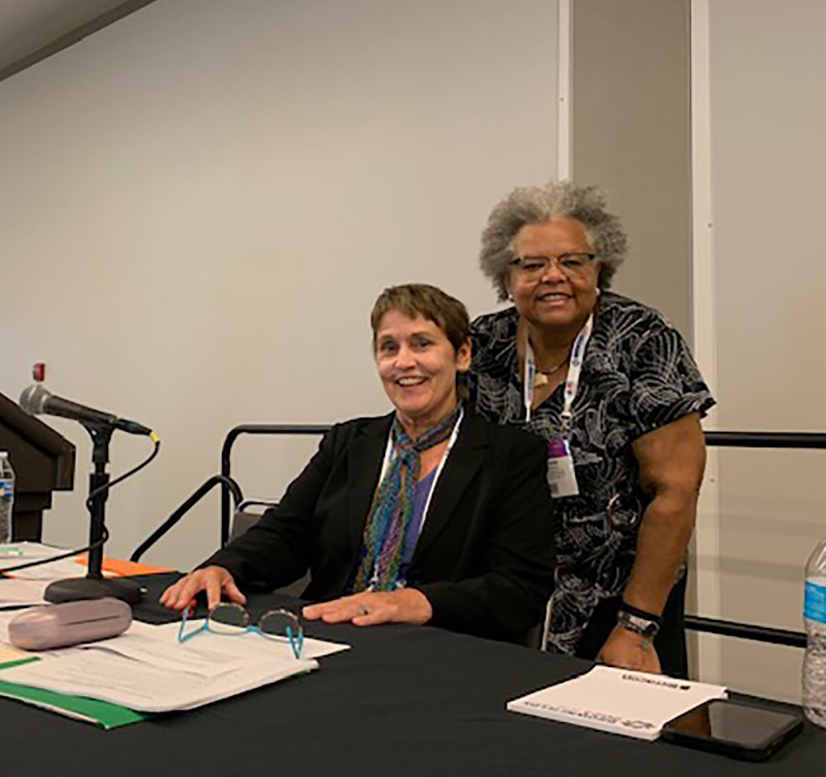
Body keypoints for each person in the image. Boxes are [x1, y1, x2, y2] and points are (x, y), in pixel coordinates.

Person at [161, 284, 555, 643]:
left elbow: (520, 590)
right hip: (328, 639)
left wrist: (412, 604)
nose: (404, 362)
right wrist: (224, 567)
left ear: (462, 354)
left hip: (439, 650)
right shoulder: (348, 442)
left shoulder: (511, 456)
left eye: (422, 344)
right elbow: (286, 533)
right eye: (389, 348)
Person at [469, 181, 714, 676]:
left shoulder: (642, 340)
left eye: (573, 261)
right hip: (505, 589)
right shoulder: (482, 343)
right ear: (505, 275)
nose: (552, 277)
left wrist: (637, 626)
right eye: (532, 265)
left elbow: (676, 492)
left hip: (618, 594)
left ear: (599, 267)